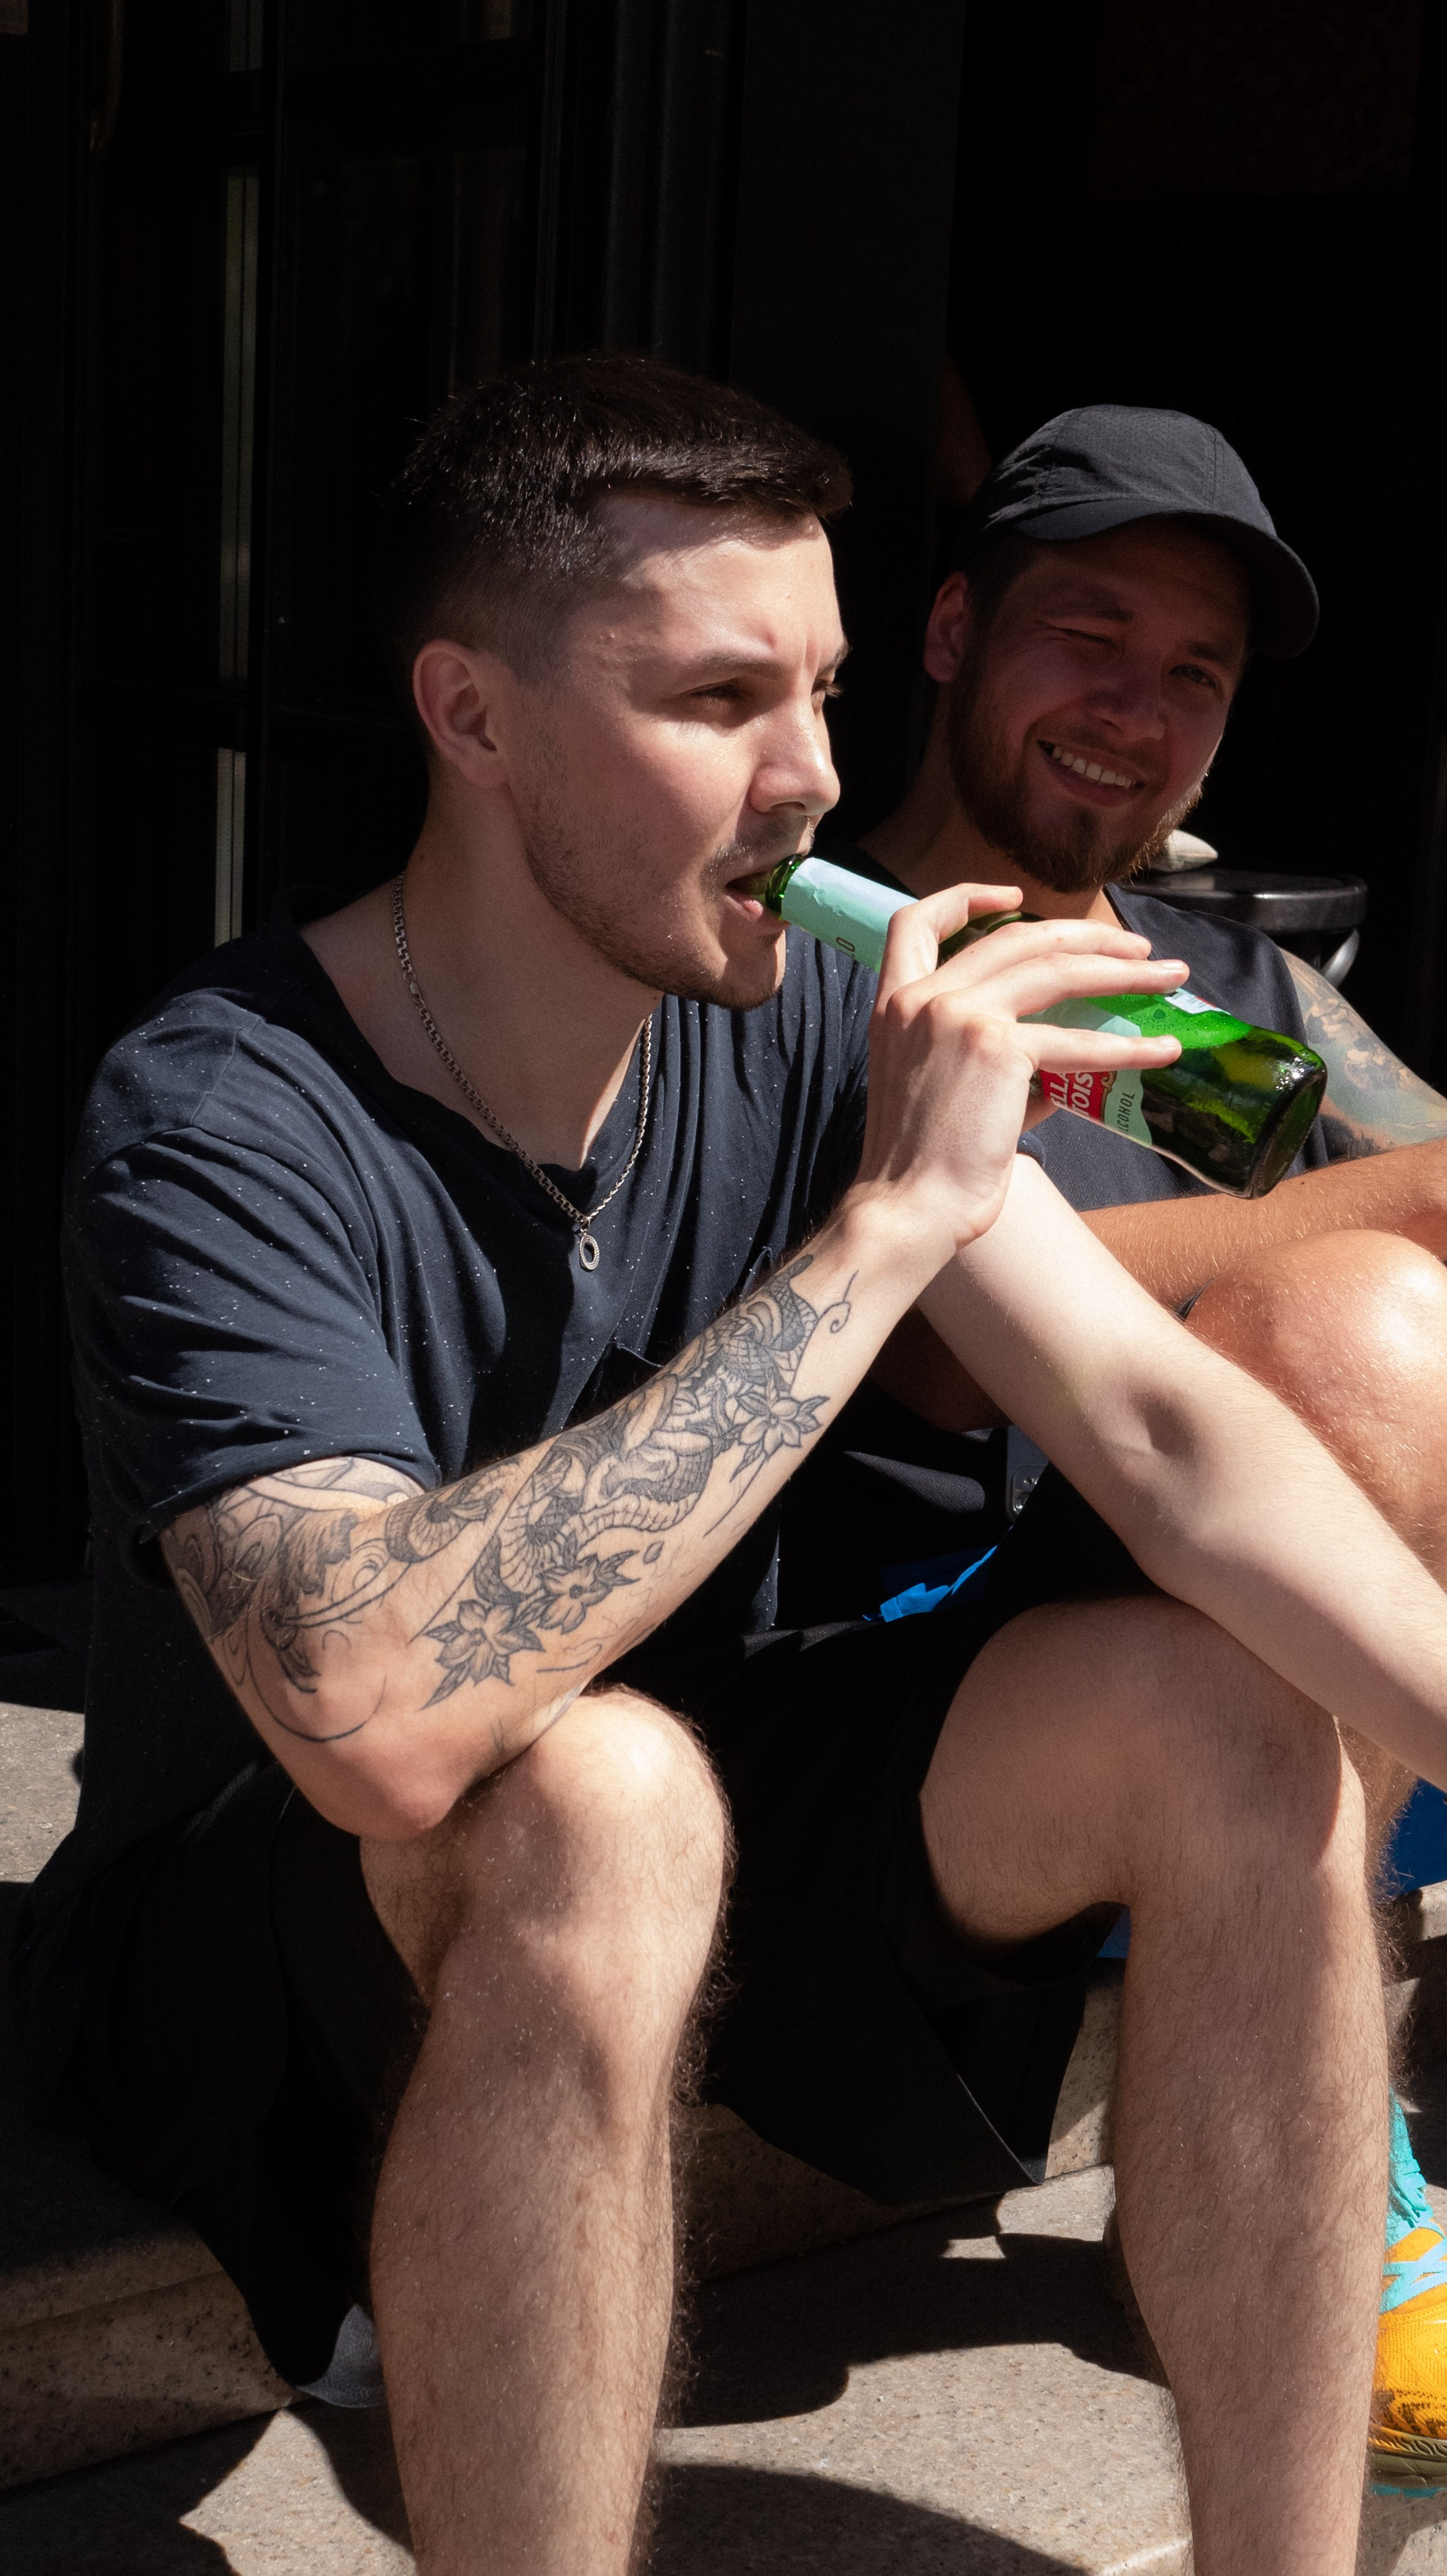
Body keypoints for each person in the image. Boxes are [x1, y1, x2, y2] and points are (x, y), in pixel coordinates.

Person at [14, 355, 1447, 2575]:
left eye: (826, 692)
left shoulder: (794, 1004)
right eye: (715, 702)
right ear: (473, 717)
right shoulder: (221, 1119)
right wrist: (885, 1235)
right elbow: (376, 1718)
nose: (812, 780)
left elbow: (1165, 1432)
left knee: (1239, 1716)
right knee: (604, 1797)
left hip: (719, 1831)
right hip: (267, 1955)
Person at [802, 400, 1447, 2493]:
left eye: (1196, 674)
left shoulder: (1220, 987)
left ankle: (1308, 2095)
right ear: (950, 632)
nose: (1135, 710)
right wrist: (1386, 1213)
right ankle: (1336, 2148)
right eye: (1088, 637)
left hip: (1203, 1617)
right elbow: (923, 1344)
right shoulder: (808, 936)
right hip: (892, 1683)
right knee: (1357, 1318)